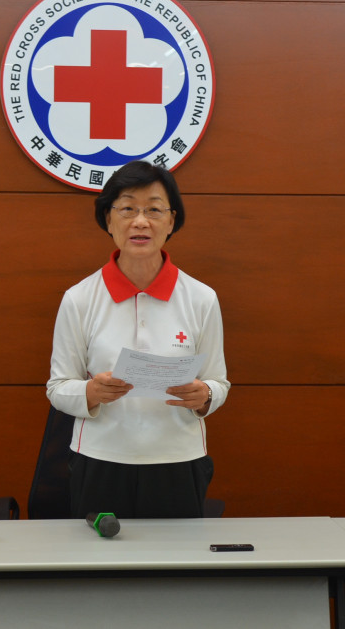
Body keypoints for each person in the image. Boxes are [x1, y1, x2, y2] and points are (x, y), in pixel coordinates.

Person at [47, 161, 230, 519]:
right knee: (102, 570)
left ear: (171, 221)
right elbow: (57, 387)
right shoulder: (80, 298)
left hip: (179, 461)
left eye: (154, 209)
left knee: (173, 570)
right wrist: (90, 392)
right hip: (100, 461)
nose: (140, 221)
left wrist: (205, 395)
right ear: (108, 220)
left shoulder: (201, 298)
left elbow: (218, 382)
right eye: (127, 208)